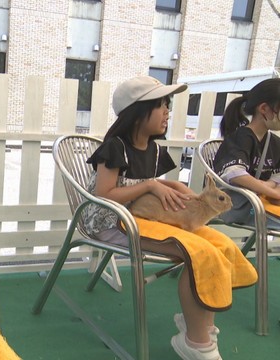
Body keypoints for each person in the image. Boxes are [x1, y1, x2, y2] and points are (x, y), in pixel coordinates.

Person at [83, 76, 255, 360]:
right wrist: (152, 186)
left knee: (218, 244)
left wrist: (172, 186)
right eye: (160, 105)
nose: (167, 112)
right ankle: (197, 343)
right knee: (195, 251)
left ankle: (198, 326)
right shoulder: (115, 146)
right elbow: (105, 194)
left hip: (139, 219)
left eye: (168, 105)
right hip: (108, 221)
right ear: (137, 112)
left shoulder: (153, 150)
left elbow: (148, 183)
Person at [212, 78, 280, 228]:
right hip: (237, 206)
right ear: (264, 109)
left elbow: (277, 175)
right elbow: (234, 173)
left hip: (259, 204)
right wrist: (273, 192)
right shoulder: (241, 137)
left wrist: (268, 185)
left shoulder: (274, 142)